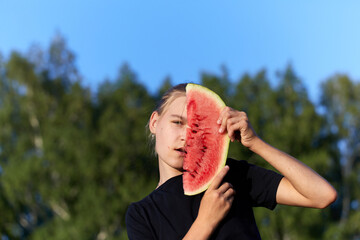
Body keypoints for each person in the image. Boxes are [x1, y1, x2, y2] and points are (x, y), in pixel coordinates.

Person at [125, 83, 337, 239]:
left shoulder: (231, 173)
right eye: (178, 122)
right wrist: (205, 222)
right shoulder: (142, 214)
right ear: (155, 122)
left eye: (197, 129)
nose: (187, 137)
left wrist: (255, 142)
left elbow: (322, 195)